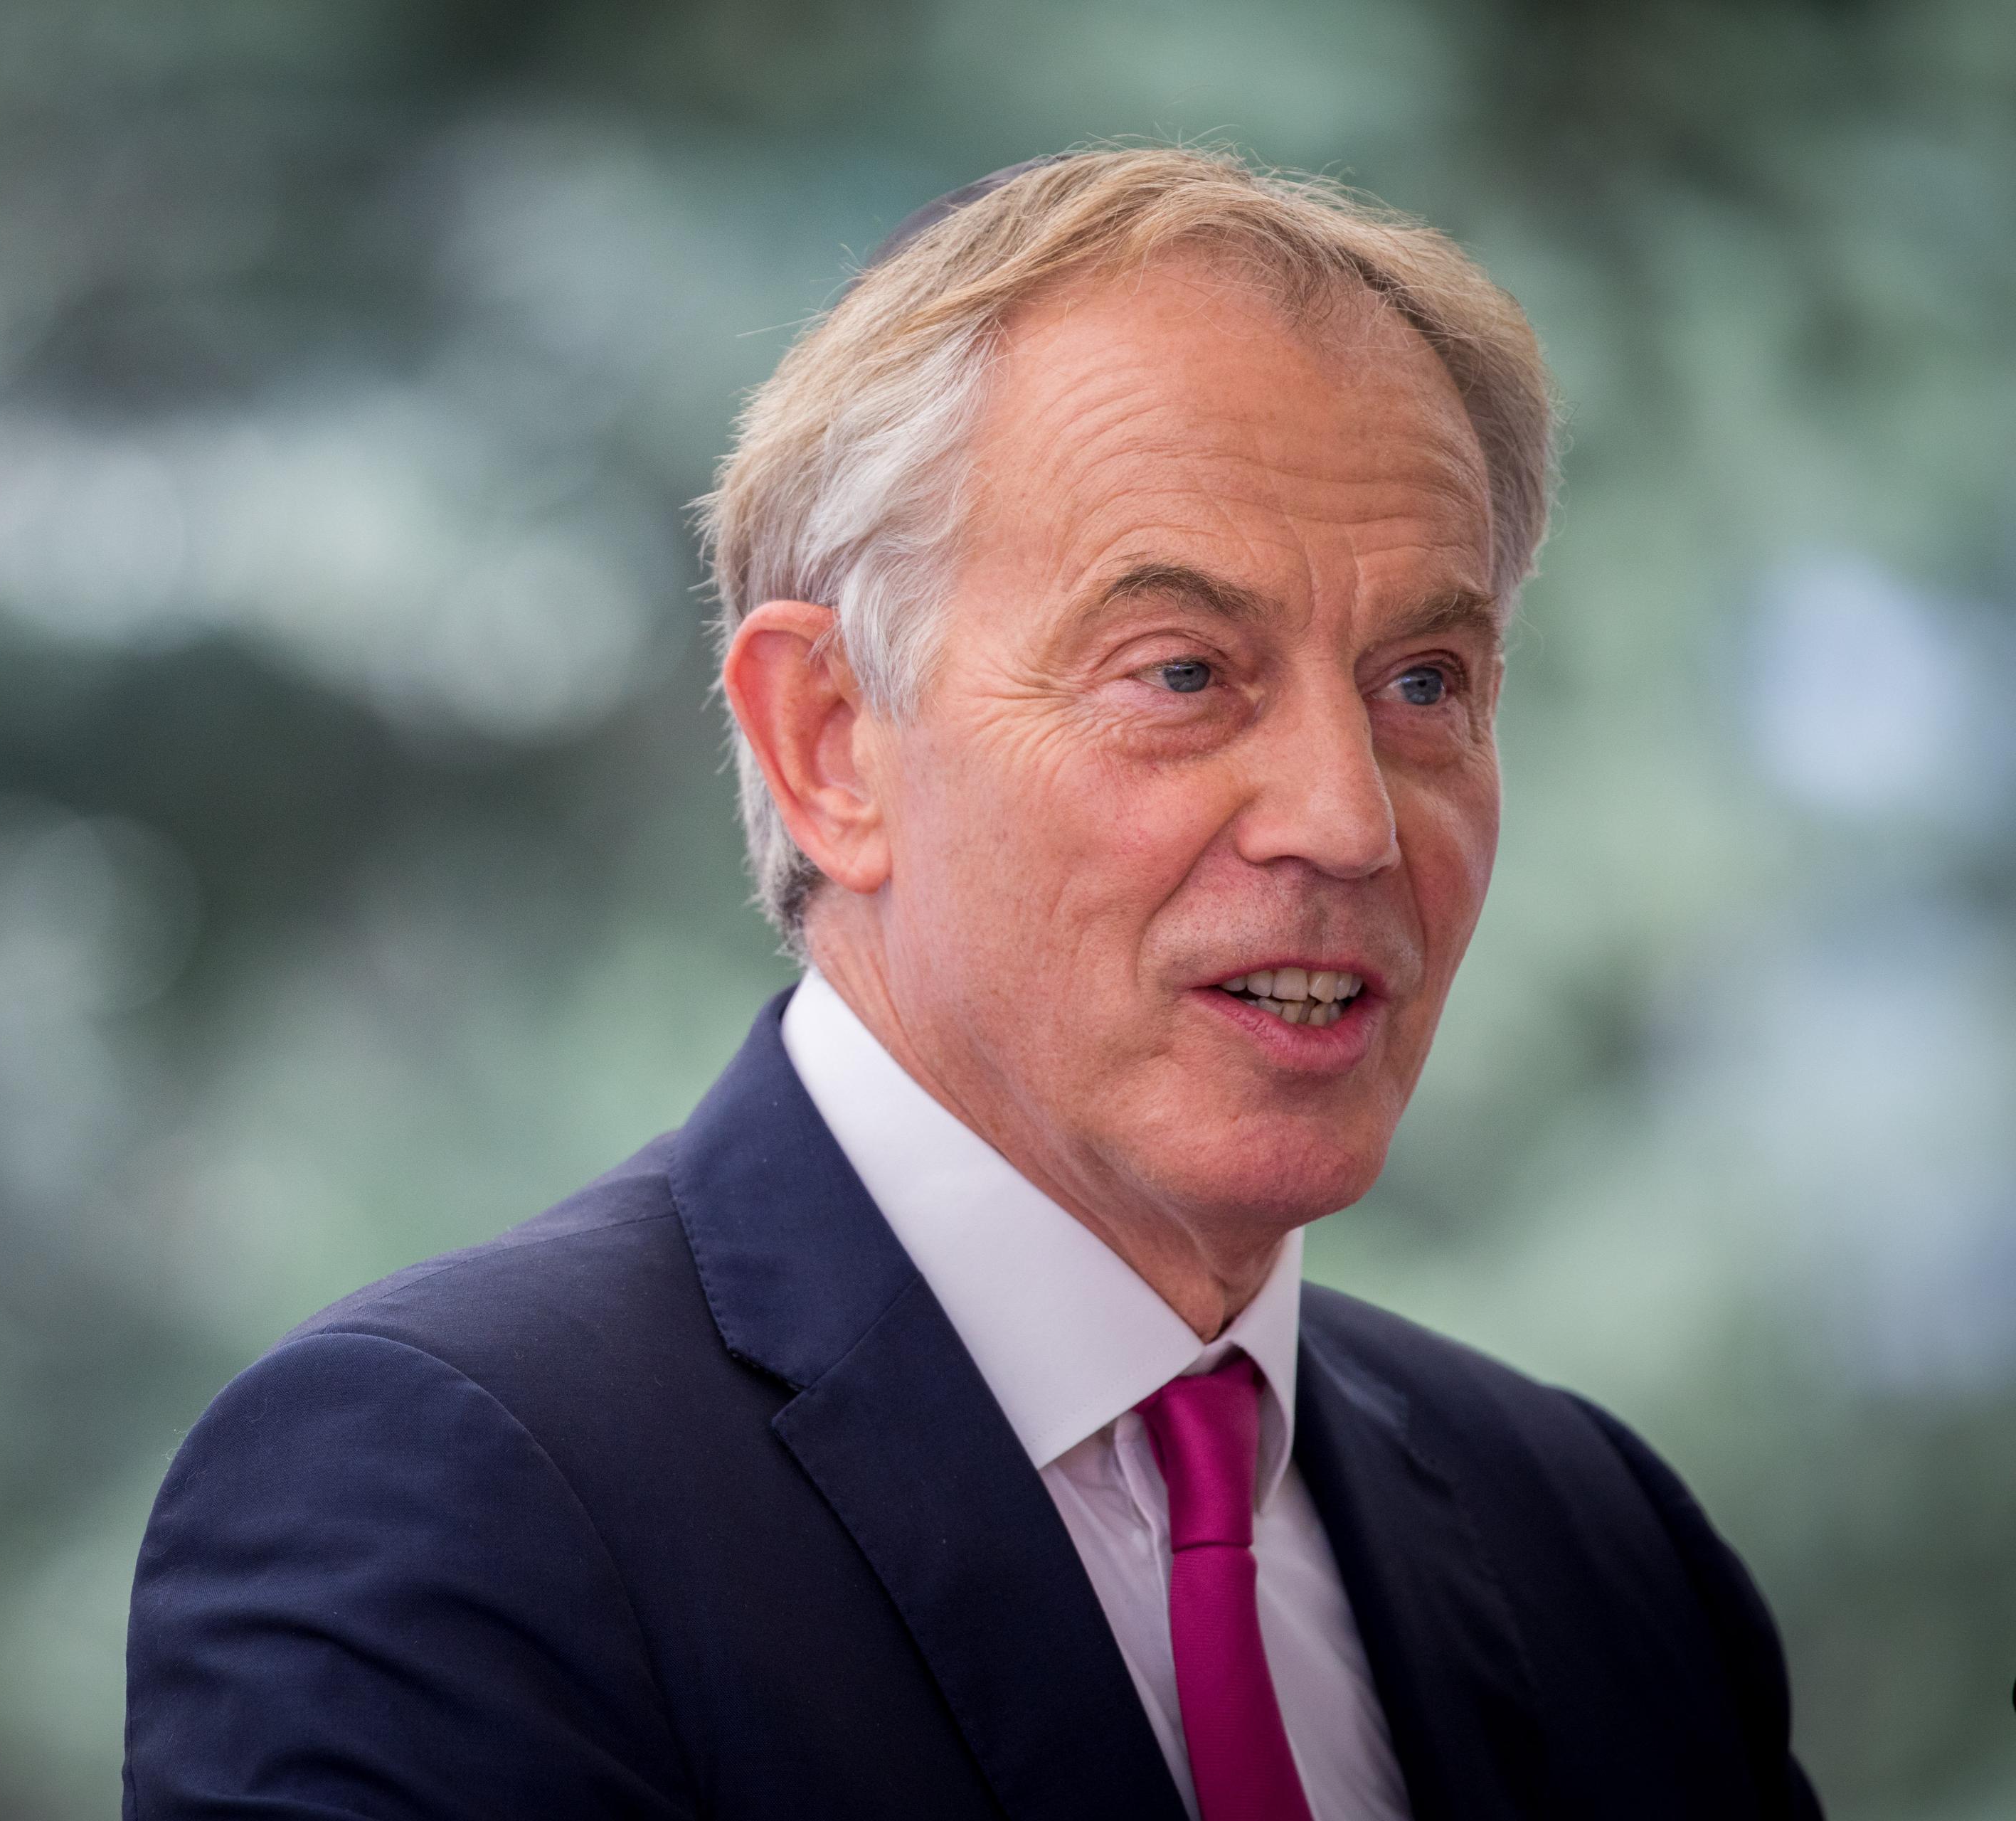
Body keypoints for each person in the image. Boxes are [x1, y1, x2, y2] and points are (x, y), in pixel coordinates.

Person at [122, 148, 1823, 1820]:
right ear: (830, 743)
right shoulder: (451, 1489)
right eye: (1182, 670)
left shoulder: (1601, 1545)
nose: (1347, 818)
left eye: (1426, 679)